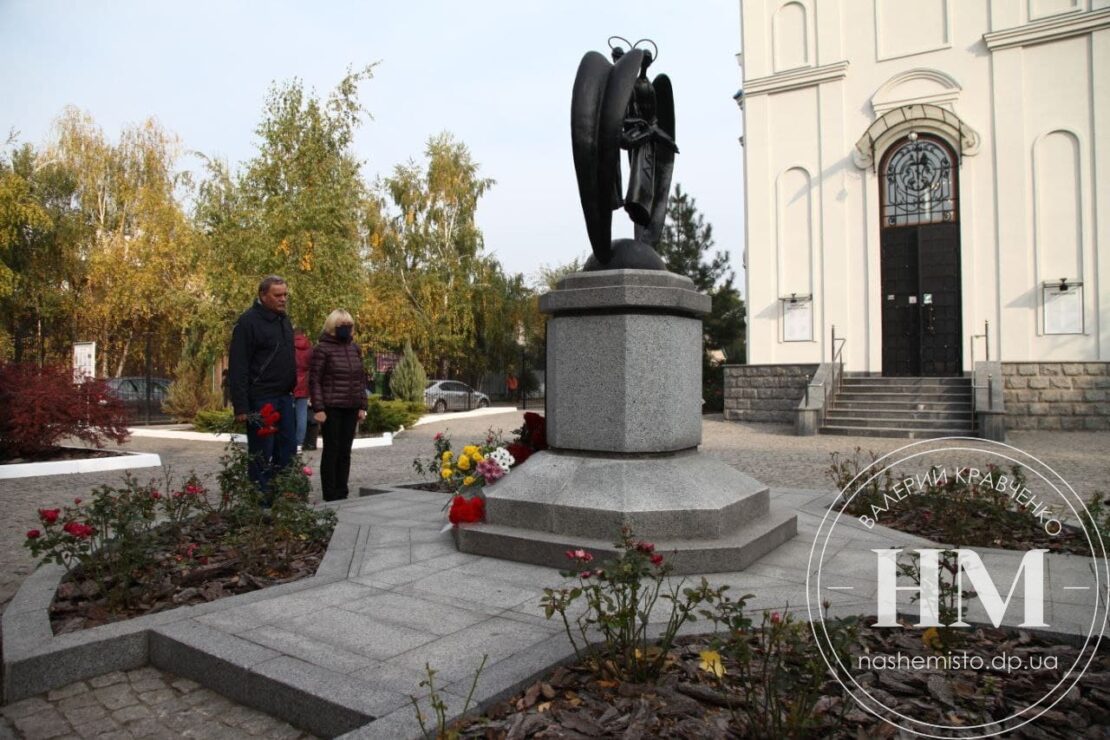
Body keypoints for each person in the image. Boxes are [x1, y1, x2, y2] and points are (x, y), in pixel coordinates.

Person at [228, 275, 297, 498]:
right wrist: (241, 406)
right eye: (278, 295)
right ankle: (260, 500)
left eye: (285, 294)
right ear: (263, 295)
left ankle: (282, 498)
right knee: (261, 452)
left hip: (285, 397)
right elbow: (238, 366)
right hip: (261, 398)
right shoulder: (248, 322)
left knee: (286, 451)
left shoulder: (284, 321)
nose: (283, 299)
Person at [310, 309, 368, 501]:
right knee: (331, 450)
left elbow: (361, 379)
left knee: (345, 451)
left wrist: (362, 406)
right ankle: (330, 492)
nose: (347, 329)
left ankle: (342, 491)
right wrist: (318, 408)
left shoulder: (355, 349)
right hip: (331, 407)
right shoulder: (322, 349)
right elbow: (315, 380)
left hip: (351, 406)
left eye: (349, 325)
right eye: (342, 326)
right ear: (332, 327)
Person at [293, 328, 314, 450]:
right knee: (302, 414)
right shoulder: (309, 348)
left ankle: (289, 440)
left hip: (289, 385)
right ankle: (299, 443)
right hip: (304, 385)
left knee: (288, 415)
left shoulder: (288, 347)